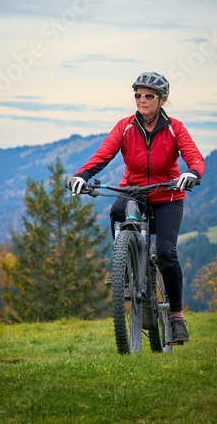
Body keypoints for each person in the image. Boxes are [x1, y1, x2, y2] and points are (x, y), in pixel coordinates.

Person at [66, 71, 205, 342]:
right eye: (138, 95)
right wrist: (81, 175)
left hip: (168, 195)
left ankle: (176, 318)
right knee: (118, 210)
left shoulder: (175, 128)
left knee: (166, 253)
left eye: (148, 96)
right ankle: (124, 268)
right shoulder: (125, 127)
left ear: (162, 100)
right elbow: (102, 155)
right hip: (134, 191)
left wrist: (192, 174)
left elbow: (195, 158)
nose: (142, 100)